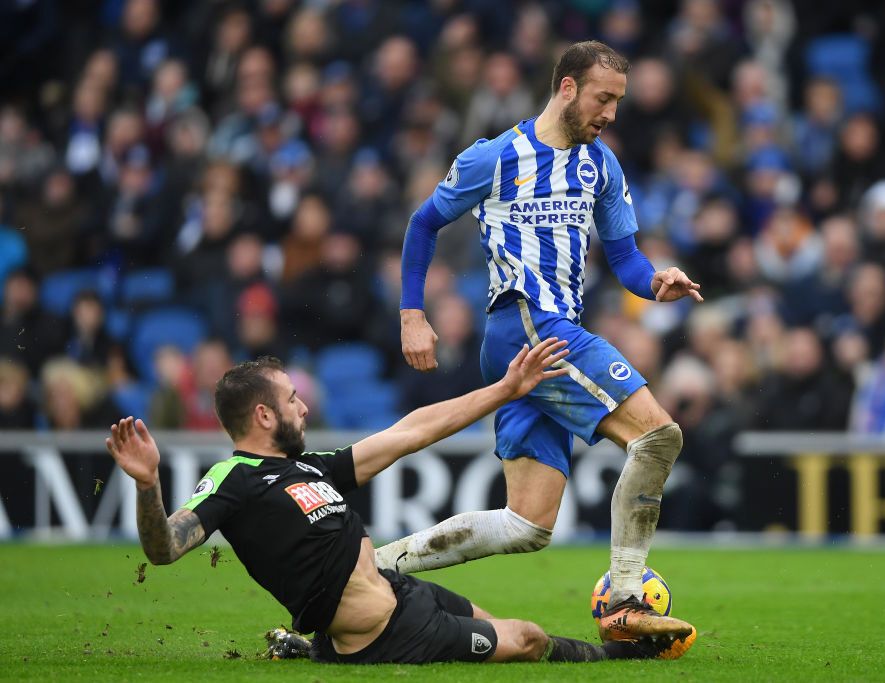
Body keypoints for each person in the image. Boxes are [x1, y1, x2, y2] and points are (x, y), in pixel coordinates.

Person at [104, 341, 696, 666]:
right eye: (292, 400)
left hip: (402, 596)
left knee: (499, 625)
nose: (304, 407)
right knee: (528, 640)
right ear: (263, 415)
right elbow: (164, 549)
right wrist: (148, 484)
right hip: (387, 634)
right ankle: (626, 663)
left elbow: (412, 431)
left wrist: (505, 390)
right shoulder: (232, 479)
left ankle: (314, 648)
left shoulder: (307, 467)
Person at [389, 40, 703, 641]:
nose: (611, 113)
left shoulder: (601, 165)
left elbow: (625, 259)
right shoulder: (495, 157)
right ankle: (625, 602)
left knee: (526, 524)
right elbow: (423, 221)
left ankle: (370, 569)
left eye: (619, 101)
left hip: (545, 338)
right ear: (566, 87)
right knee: (658, 438)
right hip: (528, 325)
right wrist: (411, 313)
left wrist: (655, 280)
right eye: (603, 98)